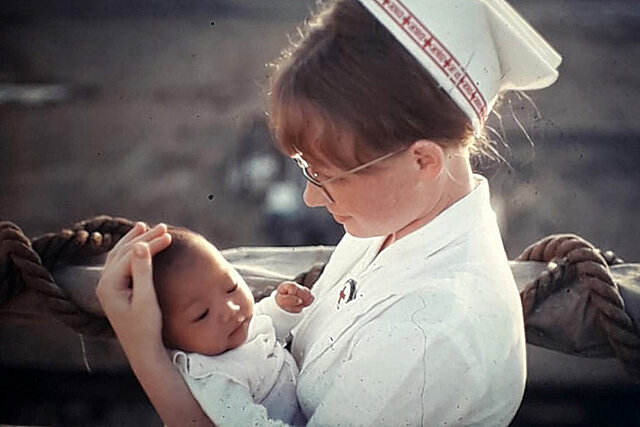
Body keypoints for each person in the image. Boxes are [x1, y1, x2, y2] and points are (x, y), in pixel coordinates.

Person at [97, 0, 562, 425]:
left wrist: (146, 354)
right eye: (305, 167)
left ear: (423, 160)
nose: (310, 198)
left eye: (327, 174)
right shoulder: (394, 221)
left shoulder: (429, 335)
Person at [151, 226, 311, 425]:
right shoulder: (212, 377)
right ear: (169, 339)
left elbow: (265, 322)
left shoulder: (237, 328)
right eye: (202, 314)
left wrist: (283, 307)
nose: (230, 309)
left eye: (231, 287)